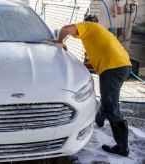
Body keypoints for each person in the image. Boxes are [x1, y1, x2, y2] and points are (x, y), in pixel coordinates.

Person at [56, 15, 132, 157]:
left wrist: (59, 41)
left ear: (86, 23)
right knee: (108, 97)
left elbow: (66, 29)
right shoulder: (98, 33)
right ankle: (99, 121)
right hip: (121, 65)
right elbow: (97, 57)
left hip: (113, 67)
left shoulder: (89, 26)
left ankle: (122, 147)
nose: (77, 31)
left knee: (111, 105)